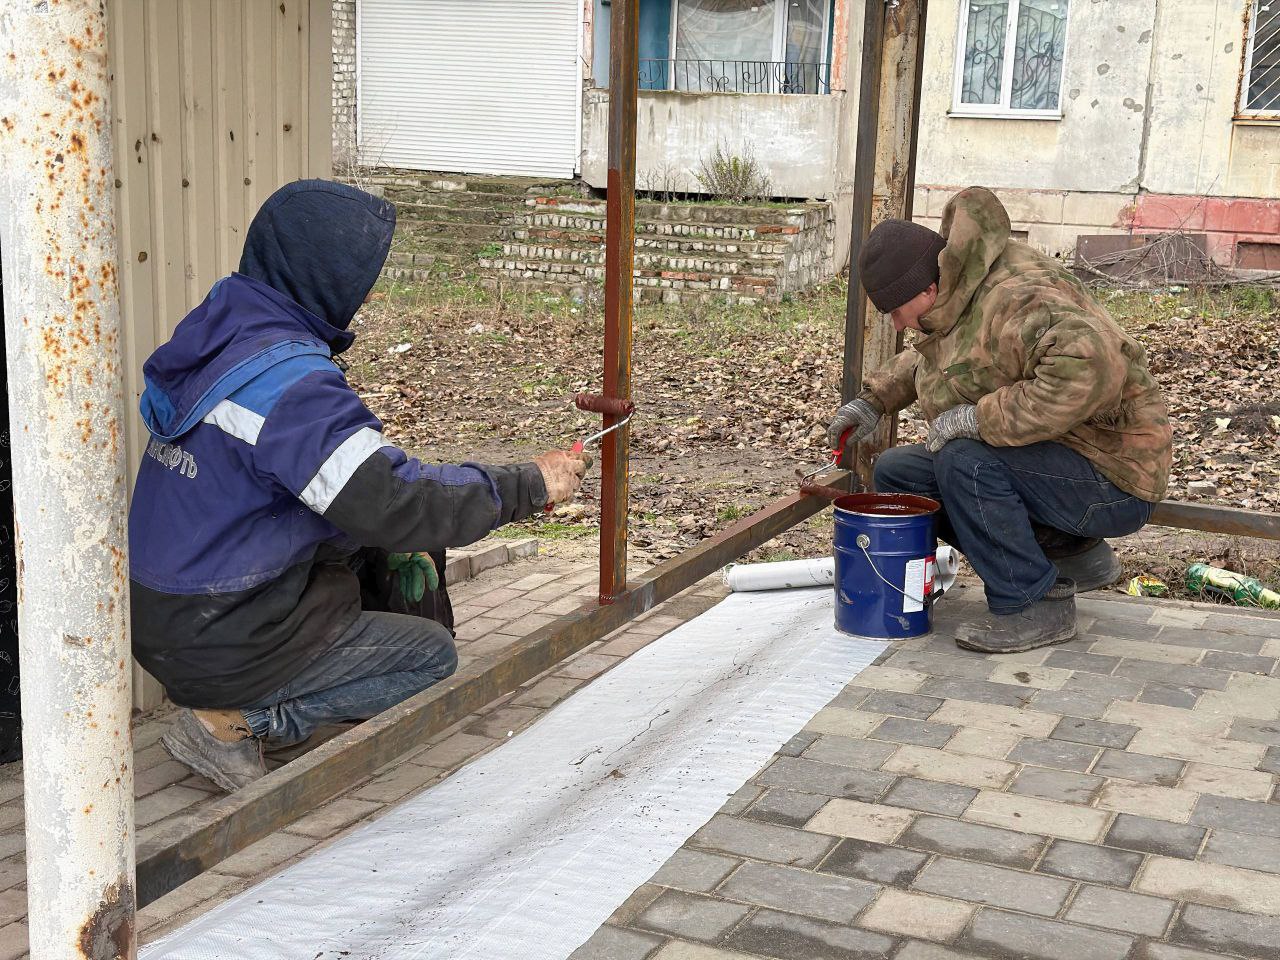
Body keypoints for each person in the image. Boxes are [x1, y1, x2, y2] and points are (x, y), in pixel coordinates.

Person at [129, 180, 590, 791]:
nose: (368, 293)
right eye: (362, 275)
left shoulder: (222, 334)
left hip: (166, 608)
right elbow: (396, 499)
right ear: (326, 274)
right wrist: (529, 483)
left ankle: (245, 696)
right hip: (219, 628)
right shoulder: (291, 384)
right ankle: (237, 722)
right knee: (430, 655)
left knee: (381, 546)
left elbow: (314, 486)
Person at [828, 187, 1172, 654]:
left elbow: (1091, 364)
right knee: (898, 472)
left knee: (963, 461)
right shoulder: (959, 290)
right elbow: (951, 359)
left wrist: (978, 417)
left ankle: (1034, 603)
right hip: (1063, 461)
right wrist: (875, 400)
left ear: (926, 289)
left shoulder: (1014, 297)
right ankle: (1070, 555)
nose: (897, 326)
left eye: (895, 312)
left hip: (1114, 472)